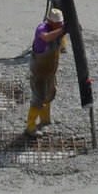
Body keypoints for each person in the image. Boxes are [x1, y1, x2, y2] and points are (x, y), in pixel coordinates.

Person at [26, 7, 68, 136]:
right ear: (50, 22)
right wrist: (62, 29)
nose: (61, 24)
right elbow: (46, 38)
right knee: (38, 97)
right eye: (58, 23)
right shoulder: (42, 29)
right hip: (39, 71)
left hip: (50, 71)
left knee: (50, 93)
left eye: (61, 23)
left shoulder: (58, 27)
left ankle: (45, 120)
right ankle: (30, 127)